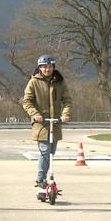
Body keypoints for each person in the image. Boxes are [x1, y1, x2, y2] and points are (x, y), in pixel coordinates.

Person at [22, 54, 72, 191]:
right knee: (45, 152)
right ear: (39, 68)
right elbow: (26, 102)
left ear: (53, 67)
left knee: (51, 153)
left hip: (55, 123)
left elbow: (67, 100)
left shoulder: (59, 82)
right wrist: (35, 114)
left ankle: (43, 179)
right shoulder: (34, 82)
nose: (47, 69)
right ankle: (40, 180)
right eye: (44, 67)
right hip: (41, 124)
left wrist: (65, 114)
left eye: (49, 67)